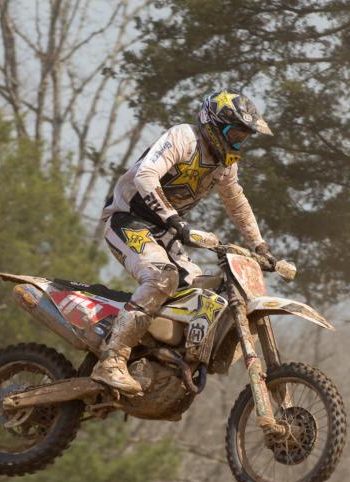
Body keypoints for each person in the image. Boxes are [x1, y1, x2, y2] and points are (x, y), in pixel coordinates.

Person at [92, 90, 277, 395]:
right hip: (128, 221)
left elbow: (237, 203)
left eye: (244, 137)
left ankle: (166, 358)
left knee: (207, 290)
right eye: (235, 133)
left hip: (165, 232)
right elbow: (146, 176)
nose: (238, 143)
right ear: (214, 124)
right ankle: (112, 358)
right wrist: (176, 221)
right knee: (161, 276)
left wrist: (260, 246)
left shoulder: (224, 165)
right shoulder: (183, 138)